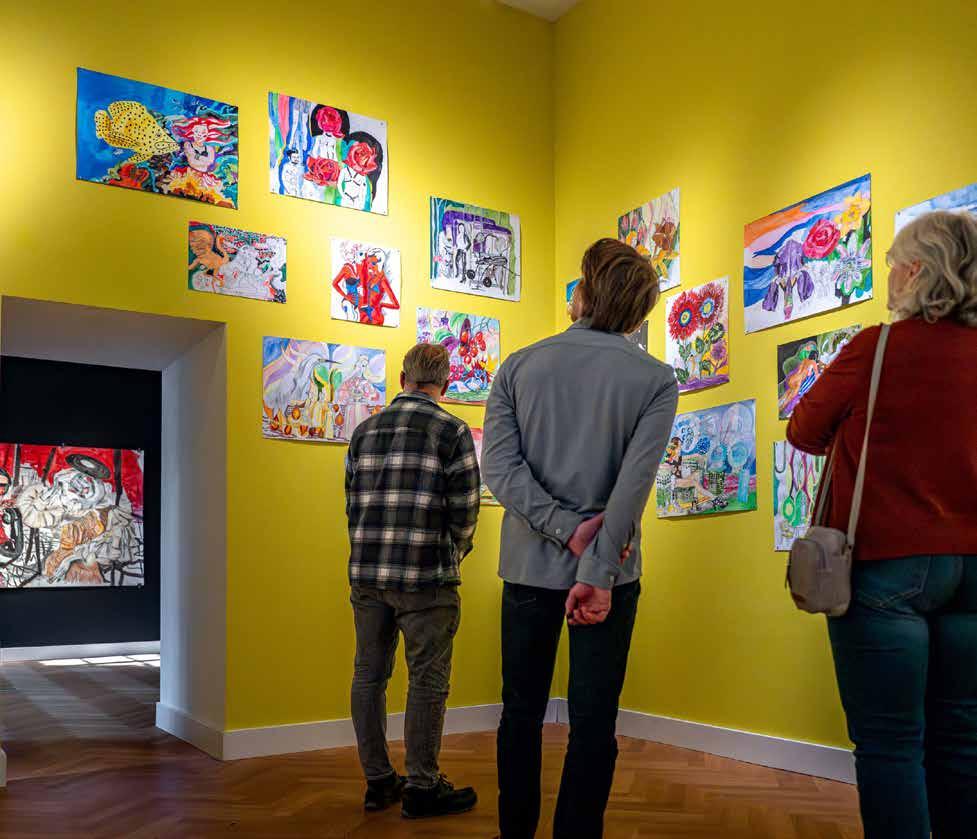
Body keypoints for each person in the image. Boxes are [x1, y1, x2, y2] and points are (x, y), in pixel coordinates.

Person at [788, 210, 977, 839]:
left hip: (884, 567)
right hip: (973, 569)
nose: (889, 273)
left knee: (890, 743)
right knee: (962, 740)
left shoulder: (879, 348)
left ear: (916, 272)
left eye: (893, 262)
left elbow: (804, 429)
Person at [482, 238, 679, 839]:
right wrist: (594, 565)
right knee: (594, 722)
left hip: (528, 568)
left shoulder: (519, 366)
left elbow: (500, 470)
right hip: (609, 575)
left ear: (585, 293)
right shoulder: (656, 379)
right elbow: (632, 488)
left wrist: (564, 530)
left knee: (520, 713)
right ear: (638, 310)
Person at [345, 343, 481, 819]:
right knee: (427, 680)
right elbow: (466, 511)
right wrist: (454, 551)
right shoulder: (452, 430)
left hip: (368, 574)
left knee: (369, 676)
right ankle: (422, 786)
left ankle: (379, 782)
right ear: (445, 383)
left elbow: (352, 504)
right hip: (426, 576)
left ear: (403, 378)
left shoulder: (363, 431)